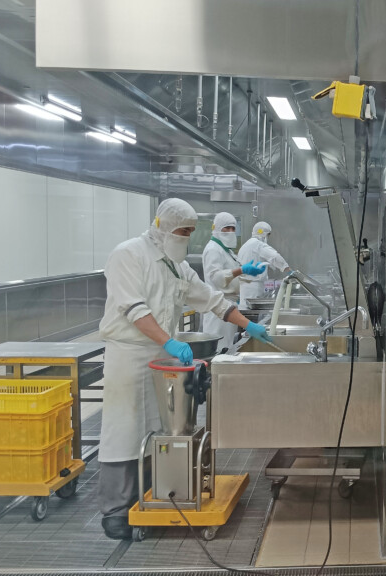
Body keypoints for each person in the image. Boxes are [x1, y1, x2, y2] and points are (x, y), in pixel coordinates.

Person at [97, 198, 272, 540]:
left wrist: (248, 325)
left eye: (191, 232)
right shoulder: (129, 255)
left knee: (159, 430)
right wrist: (171, 343)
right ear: (161, 225)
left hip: (161, 355)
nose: (186, 237)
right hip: (129, 355)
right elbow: (134, 309)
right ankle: (115, 511)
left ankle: (147, 496)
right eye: (182, 231)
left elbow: (212, 299)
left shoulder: (177, 266)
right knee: (124, 430)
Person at [202, 212, 266, 352]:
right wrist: (241, 270)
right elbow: (217, 278)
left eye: (233, 228)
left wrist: (247, 274)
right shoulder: (213, 249)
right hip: (218, 308)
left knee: (227, 347)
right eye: (226, 228)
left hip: (229, 306)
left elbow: (230, 277)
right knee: (219, 349)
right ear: (217, 228)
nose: (231, 232)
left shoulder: (226, 250)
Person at [238, 221, 291, 302]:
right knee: (252, 312)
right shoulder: (258, 244)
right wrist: (287, 269)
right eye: (268, 234)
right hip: (254, 286)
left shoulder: (245, 245)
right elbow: (274, 256)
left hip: (244, 287)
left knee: (245, 309)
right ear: (264, 234)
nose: (268, 237)